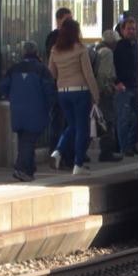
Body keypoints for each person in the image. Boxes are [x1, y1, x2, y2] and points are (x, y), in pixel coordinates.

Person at [0, 41, 57, 182]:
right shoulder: (42, 70)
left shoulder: (13, 69)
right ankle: (21, 169)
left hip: (17, 110)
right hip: (36, 110)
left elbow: (2, 87)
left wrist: (13, 98)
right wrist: (47, 107)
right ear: (37, 53)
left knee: (24, 141)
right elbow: (50, 92)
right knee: (29, 142)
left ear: (22, 53)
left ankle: (29, 170)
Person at [47, 17, 99, 175]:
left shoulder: (55, 50)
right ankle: (78, 165)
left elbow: (52, 72)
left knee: (72, 126)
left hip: (63, 92)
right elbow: (88, 74)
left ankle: (58, 151)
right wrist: (96, 95)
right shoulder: (81, 49)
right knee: (82, 129)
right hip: (80, 91)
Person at [113, 17, 138, 157]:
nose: (131, 31)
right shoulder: (117, 47)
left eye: (133, 29)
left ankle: (130, 142)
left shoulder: (137, 46)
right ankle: (124, 147)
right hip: (123, 87)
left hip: (136, 86)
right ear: (122, 30)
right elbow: (113, 67)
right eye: (129, 29)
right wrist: (117, 82)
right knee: (123, 119)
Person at [45, 7, 72, 148]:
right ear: (58, 20)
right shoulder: (54, 38)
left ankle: (67, 154)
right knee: (59, 121)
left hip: (69, 84)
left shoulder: (70, 38)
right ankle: (56, 153)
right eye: (67, 20)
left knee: (68, 122)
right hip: (58, 85)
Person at [94, 29, 123, 162]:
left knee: (94, 121)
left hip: (95, 91)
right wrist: (107, 88)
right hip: (104, 92)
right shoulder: (107, 52)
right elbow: (104, 73)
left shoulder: (96, 50)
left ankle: (81, 153)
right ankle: (106, 153)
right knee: (108, 120)